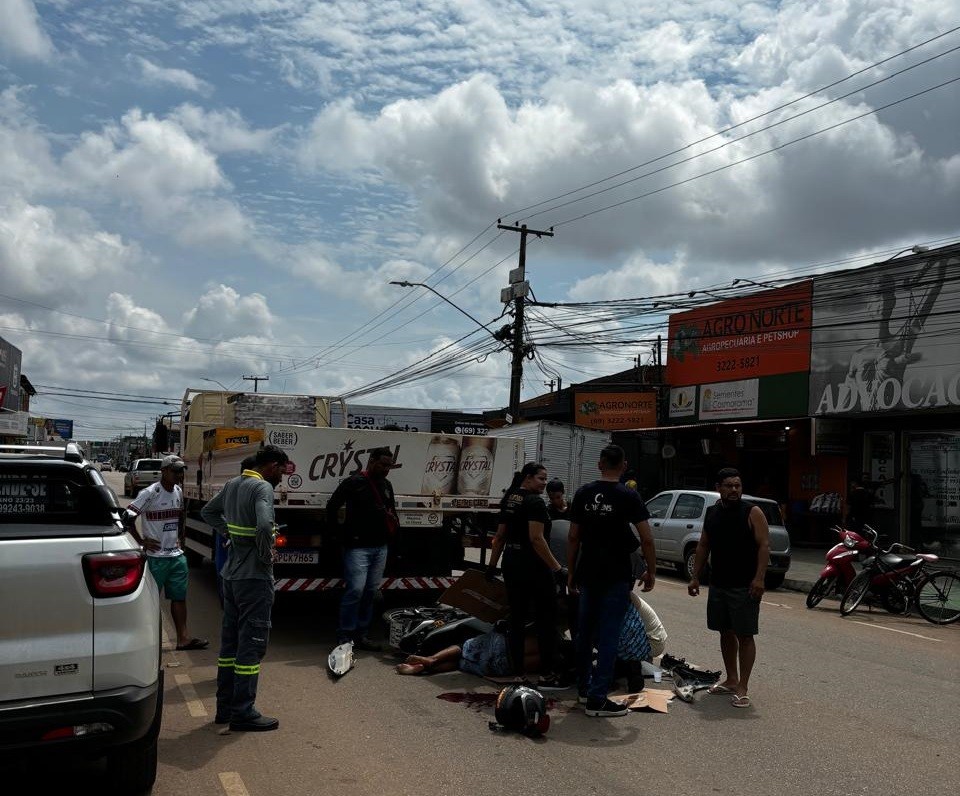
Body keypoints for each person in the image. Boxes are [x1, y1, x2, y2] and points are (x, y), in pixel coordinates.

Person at [201, 444, 290, 732]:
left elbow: (208, 512)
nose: (281, 478)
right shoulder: (261, 488)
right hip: (254, 578)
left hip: (231, 575)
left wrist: (230, 532)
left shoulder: (232, 484)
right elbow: (265, 527)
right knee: (251, 646)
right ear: (272, 465)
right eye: (282, 471)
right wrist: (266, 556)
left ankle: (224, 709)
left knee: (230, 646)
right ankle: (243, 712)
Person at [567, 444, 656, 717]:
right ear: (624, 466)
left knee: (584, 634)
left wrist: (571, 573)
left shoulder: (583, 493)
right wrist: (651, 571)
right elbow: (646, 538)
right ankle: (597, 700)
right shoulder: (629, 496)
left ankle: (583, 690)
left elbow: (573, 537)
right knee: (608, 637)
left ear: (599, 464)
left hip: (588, 573)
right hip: (616, 576)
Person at [687, 467, 769, 709]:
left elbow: (764, 546)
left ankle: (743, 686)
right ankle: (731, 679)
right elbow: (703, 545)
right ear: (718, 488)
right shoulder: (712, 512)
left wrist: (759, 578)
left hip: (745, 585)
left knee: (745, 634)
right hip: (719, 583)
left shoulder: (752, 512)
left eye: (738, 485)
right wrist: (695, 577)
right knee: (724, 631)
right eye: (729, 485)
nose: (734, 490)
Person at [487, 462, 568, 690]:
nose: (544, 483)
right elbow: (536, 539)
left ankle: (518, 673)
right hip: (534, 566)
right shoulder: (534, 502)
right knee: (546, 619)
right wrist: (557, 569)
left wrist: (492, 566)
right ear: (529, 477)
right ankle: (546, 674)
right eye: (541, 479)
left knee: (517, 618)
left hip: (512, 563)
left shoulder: (511, 499)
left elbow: (500, 536)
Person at [124, 454, 208, 652]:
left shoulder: (178, 491)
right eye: (175, 471)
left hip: (176, 556)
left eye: (181, 471)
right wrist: (141, 541)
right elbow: (127, 517)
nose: (179, 475)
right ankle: (145, 642)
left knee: (179, 598)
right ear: (163, 471)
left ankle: (183, 639)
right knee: (150, 601)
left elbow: (180, 518)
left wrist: (181, 539)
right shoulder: (150, 493)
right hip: (156, 558)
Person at [326, 447, 399, 650]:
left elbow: (391, 510)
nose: (386, 469)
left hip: (380, 548)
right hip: (357, 548)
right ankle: (345, 636)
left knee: (370, 592)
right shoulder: (354, 482)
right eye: (383, 464)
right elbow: (332, 507)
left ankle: (362, 635)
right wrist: (339, 535)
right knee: (355, 591)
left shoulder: (387, 485)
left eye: (389, 466)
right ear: (372, 461)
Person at [214, 454, 257, 607]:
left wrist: (226, 530)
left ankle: (228, 603)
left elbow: (208, 511)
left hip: (229, 538)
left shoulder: (231, 485)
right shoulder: (254, 489)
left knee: (226, 570)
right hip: (232, 541)